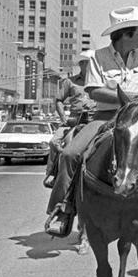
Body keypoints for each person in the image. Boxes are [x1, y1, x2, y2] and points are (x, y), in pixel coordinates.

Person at [44, 6, 138, 239]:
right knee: (70, 154)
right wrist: (136, 98)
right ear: (126, 34)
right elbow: (94, 91)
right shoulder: (99, 57)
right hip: (105, 118)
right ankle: (63, 210)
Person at [44, 50, 96, 189]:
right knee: (54, 141)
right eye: (88, 63)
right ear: (82, 64)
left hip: (95, 119)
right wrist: (64, 118)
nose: (92, 67)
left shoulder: (100, 82)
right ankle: (53, 174)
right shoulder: (70, 82)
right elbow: (59, 100)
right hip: (75, 119)